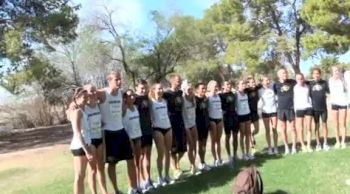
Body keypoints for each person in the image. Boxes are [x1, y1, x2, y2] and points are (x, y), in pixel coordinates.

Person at [96, 71, 138, 194]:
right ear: (109, 81)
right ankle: (116, 190)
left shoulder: (121, 93)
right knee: (112, 163)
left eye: (120, 79)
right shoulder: (103, 93)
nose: (119, 82)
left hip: (121, 131)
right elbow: (86, 93)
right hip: (108, 133)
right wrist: (73, 103)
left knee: (130, 159)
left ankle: (133, 188)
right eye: (116, 79)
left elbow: (134, 98)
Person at [67, 87, 94, 194]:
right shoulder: (77, 112)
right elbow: (77, 133)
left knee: (82, 176)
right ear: (76, 98)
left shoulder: (83, 109)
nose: (86, 98)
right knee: (79, 176)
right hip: (79, 146)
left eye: (86, 96)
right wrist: (87, 151)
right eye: (83, 96)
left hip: (86, 143)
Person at [83, 84, 108, 194]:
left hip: (99, 139)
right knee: (92, 170)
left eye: (94, 91)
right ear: (85, 93)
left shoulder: (99, 105)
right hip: (90, 141)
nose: (93, 93)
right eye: (90, 91)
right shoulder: (83, 107)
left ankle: (104, 191)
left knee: (101, 168)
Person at [149, 83, 173, 187]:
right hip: (157, 129)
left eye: (162, 88)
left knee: (168, 152)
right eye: (158, 89)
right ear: (153, 90)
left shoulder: (165, 101)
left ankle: (167, 175)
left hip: (168, 128)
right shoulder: (151, 102)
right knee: (161, 153)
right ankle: (160, 177)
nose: (160, 90)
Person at [163, 75, 186, 179]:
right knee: (173, 148)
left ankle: (176, 165)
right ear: (172, 82)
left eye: (180, 81)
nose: (179, 82)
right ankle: (175, 169)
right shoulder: (166, 94)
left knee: (182, 148)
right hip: (171, 122)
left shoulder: (180, 93)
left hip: (180, 121)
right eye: (177, 81)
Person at [134, 79, 154, 192]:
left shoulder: (148, 97)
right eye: (141, 88)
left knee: (147, 156)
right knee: (140, 158)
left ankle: (148, 179)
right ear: (136, 88)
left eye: (145, 88)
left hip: (148, 130)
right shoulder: (133, 98)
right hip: (138, 132)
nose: (143, 90)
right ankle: (141, 181)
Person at [123, 89, 143, 192]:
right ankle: (131, 187)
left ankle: (138, 184)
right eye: (129, 96)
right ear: (125, 98)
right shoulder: (124, 109)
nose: (132, 97)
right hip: (129, 139)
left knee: (138, 162)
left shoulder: (136, 108)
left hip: (138, 137)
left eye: (133, 96)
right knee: (130, 163)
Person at [273, 68, 297, 155]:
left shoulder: (292, 82)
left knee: (293, 128)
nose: (285, 74)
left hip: (291, 108)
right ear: (278, 75)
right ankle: (286, 147)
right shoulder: (275, 85)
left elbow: (302, 82)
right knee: (283, 129)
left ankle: (294, 147)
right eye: (283, 73)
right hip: (281, 109)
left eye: (286, 73)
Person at [309, 68, 330, 151]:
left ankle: (325, 143)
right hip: (315, 109)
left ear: (320, 74)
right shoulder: (310, 84)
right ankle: (318, 143)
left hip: (323, 108)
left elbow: (329, 92)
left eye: (317, 73)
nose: (316, 75)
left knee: (324, 125)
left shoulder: (324, 83)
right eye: (314, 73)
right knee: (317, 126)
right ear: (312, 75)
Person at [220, 80, 239, 166]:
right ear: (223, 86)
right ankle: (229, 156)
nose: (229, 85)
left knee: (235, 136)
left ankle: (235, 154)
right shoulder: (220, 95)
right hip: (226, 118)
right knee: (228, 136)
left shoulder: (233, 94)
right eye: (227, 84)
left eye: (230, 84)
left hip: (234, 116)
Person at [258, 76, 278, 155]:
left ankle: (275, 147)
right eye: (266, 80)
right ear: (262, 82)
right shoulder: (259, 91)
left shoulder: (273, 89)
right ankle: (270, 148)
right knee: (267, 130)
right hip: (265, 112)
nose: (268, 81)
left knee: (274, 129)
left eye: (268, 80)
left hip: (273, 111)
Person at [329, 66, 348, 149]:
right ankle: (337, 141)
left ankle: (343, 142)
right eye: (334, 71)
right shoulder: (329, 80)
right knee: (335, 124)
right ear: (332, 72)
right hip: (334, 104)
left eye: (337, 70)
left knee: (343, 123)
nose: (336, 72)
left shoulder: (343, 80)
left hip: (343, 103)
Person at [182, 83, 198, 175]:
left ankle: (194, 164)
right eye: (187, 89)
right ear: (184, 90)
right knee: (190, 146)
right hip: (186, 125)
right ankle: (191, 164)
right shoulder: (183, 100)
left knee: (195, 145)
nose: (189, 91)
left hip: (193, 124)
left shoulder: (193, 99)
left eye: (190, 89)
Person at [293, 73, 313, 153]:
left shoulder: (307, 86)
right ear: (296, 80)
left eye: (301, 78)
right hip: (299, 109)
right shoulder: (294, 88)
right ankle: (303, 145)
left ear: (303, 78)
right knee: (300, 129)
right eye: (298, 79)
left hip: (308, 108)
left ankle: (308, 145)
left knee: (309, 128)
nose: (300, 80)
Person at [195, 82, 211, 172]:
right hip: (197, 125)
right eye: (202, 89)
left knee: (204, 145)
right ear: (197, 90)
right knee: (199, 145)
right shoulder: (194, 99)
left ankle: (202, 162)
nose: (204, 90)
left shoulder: (206, 99)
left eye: (205, 88)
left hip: (205, 124)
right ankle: (197, 165)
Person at [207, 80, 224, 166]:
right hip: (212, 120)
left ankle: (220, 158)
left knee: (218, 140)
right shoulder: (208, 97)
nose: (216, 87)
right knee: (213, 140)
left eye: (216, 86)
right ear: (210, 87)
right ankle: (215, 159)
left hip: (219, 119)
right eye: (214, 86)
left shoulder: (219, 96)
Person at [236, 80, 253, 160]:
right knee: (242, 135)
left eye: (244, 84)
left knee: (248, 134)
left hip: (247, 115)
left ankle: (248, 152)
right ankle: (243, 154)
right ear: (238, 85)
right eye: (242, 83)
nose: (243, 85)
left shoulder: (246, 93)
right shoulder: (236, 94)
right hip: (241, 116)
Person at [246, 77, 261, 154]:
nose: (253, 83)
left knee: (257, 130)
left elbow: (262, 84)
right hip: (248, 113)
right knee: (248, 131)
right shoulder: (246, 91)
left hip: (255, 112)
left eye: (253, 82)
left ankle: (251, 135)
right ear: (248, 84)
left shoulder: (257, 88)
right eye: (251, 82)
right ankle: (253, 147)